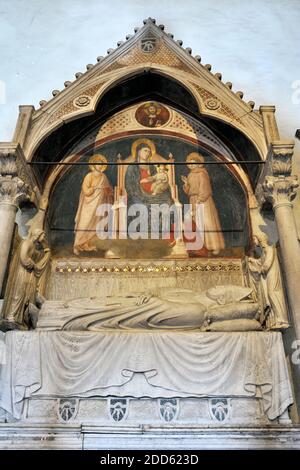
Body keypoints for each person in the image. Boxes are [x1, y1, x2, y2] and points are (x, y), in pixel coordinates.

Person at [37, 284, 260, 332]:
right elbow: (161, 295)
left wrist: (149, 300)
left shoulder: (201, 312)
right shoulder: (195, 295)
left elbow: (158, 311)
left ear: (224, 302)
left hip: (150, 312)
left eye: (223, 292)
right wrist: (146, 295)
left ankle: (53, 319)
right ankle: (52, 309)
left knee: (108, 314)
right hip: (146, 304)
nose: (217, 288)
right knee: (105, 300)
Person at [0, 229, 50, 330]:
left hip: (28, 273)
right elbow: (23, 258)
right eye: (42, 235)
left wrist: (46, 247)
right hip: (22, 273)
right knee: (18, 293)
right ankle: (11, 316)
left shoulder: (34, 246)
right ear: (37, 235)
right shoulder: (26, 243)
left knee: (25, 295)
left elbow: (42, 256)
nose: (43, 238)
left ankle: (20, 319)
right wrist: (32, 264)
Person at [181, 152, 225, 255]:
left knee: (206, 223)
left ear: (199, 164)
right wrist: (186, 184)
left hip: (203, 201)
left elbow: (205, 189)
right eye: (189, 163)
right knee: (195, 223)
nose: (191, 165)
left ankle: (213, 247)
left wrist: (199, 200)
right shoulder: (190, 174)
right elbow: (189, 192)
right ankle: (199, 247)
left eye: (194, 163)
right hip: (193, 199)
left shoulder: (202, 173)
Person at [74, 154, 113, 255]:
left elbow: (109, 190)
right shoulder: (89, 176)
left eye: (101, 164)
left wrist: (108, 191)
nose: (99, 166)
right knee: (85, 223)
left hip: (100, 204)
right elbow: (86, 190)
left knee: (96, 225)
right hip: (88, 205)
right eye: (98, 164)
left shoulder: (104, 177)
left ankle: (88, 244)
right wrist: (94, 189)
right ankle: (77, 245)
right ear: (93, 165)